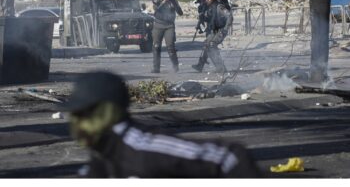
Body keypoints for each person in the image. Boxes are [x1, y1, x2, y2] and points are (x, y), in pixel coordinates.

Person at [65, 71, 261, 178]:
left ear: (107, 112)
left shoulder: (143, 149)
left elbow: (230, 156)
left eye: (83, 114)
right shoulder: (100, 160)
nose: (76, 124)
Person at [192, 0, 233, 73]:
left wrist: (225, 30)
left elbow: (230, 17)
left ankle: (221, 69)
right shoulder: (206, 5)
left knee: (212, 46)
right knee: (206, 45)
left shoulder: (219, 6)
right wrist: (202, 20)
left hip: (221, 29)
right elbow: (208, 17)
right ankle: (200, 65)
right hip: (213, 29)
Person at [151, 0, 183, 73]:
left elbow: (180, 13)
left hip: (169, 26)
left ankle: (175, 67)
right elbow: (155, 12)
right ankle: (156, 68)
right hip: (158, 25)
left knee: (170, 46)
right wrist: (163, 3)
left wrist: (175, 5)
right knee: (156, 46)